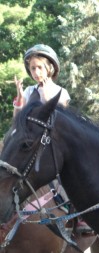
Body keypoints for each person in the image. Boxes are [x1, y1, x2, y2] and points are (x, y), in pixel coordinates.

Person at [13, 44, 92, 234]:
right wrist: (19, 99)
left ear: (50, 68)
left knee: (71, 172)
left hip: (54, 142)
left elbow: (58, 118)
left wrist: (46, 92)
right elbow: (17, 121)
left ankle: (80, 216)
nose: (35, 72)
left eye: (39, 67)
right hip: (33, 143)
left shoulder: (60, 92)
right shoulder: (28, 91)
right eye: (32, 68)